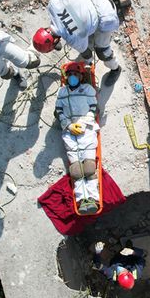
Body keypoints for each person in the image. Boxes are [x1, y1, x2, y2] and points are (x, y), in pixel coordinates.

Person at [33, 0, 121, 86]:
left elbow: (88, 55)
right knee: (84, 33)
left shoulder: (73, 39)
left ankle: (116, 69)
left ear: (56, 41)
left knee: (102, 52)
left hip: (106, 15)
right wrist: (77, 0)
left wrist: (87, 66)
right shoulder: (53, 3)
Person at [55, 68, 100, 214]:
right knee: (76, 171)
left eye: (75, 74)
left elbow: (93, 109)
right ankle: (82, 200)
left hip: (86, 129)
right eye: (70, 75)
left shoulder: (87, 89)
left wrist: (84, 123)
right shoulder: (62, 92)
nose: (72, 77)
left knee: (88, 168)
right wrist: (68, 125)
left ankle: (92, 198)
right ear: (66, 77)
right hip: (70, 131)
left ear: (80, 76)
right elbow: (59, 112)